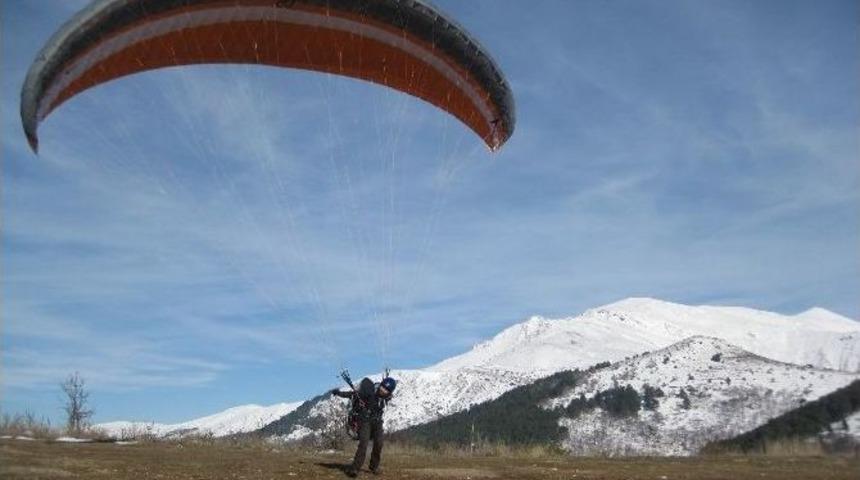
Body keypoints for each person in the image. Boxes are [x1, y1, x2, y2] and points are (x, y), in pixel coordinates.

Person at [331, 376, 397, 477]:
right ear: (381, 385)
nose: (383, 390)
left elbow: (386, 399)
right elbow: (353, 394)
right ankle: (354, 468)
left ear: (389, 392)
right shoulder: (369, 392)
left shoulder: (386, 398)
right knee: (364, 443)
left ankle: (374, 466)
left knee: (379, 443)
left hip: (377, 422)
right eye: (383, 387)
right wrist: (339, 393)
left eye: (386, 390)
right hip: (365, 421)